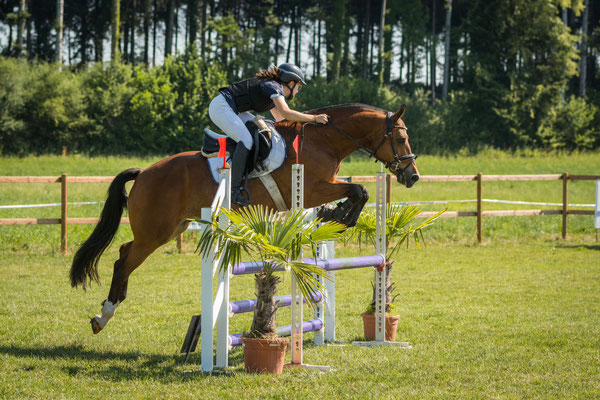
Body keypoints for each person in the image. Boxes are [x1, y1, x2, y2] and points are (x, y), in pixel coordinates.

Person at [208, 63, 329, 206]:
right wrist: (314, 118)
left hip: (234, 110)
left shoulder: (273, 90)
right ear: (291, 83)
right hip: (221, 107)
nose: (297, 91)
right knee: (246, 140)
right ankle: (234, 191)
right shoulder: (273, 87)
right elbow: (287, 113)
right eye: (298, 87)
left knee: (267, 128)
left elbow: (282, 121)